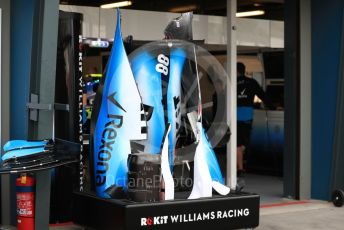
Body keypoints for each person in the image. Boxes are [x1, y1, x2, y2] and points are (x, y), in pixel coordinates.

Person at [236, 62, 272, 177]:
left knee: (237, 144)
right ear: (244, 70)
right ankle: (240, 165)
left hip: (234, 116)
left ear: (235, 70)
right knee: (243, 143)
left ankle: (240, 167)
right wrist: (273, 106)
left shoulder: (232, 82)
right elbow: (262, 95)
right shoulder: (252, 82)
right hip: (247, 116)